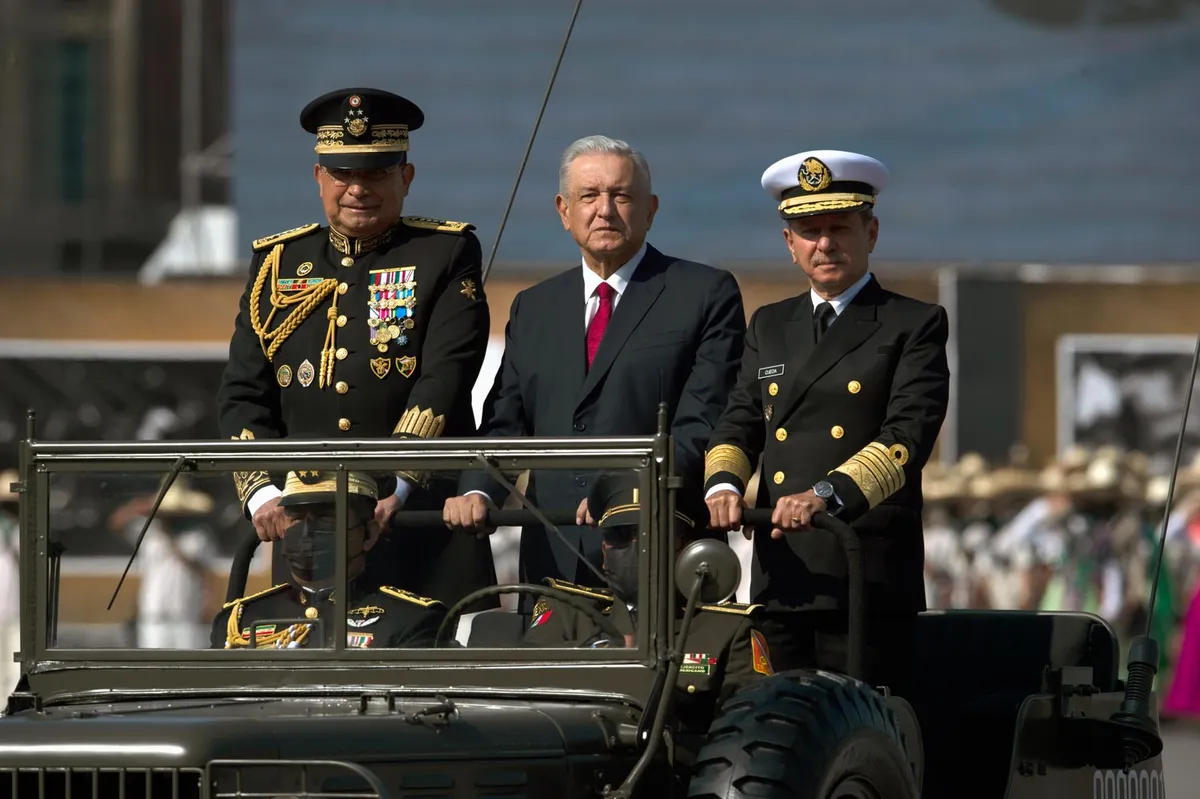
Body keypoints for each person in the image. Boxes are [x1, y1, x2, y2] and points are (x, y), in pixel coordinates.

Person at [216, 87, 495, 609]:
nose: (357, 189)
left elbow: (444, 377)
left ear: (405, 178)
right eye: (343, 173)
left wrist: (397, 487)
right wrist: (265, 494)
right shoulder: (276, 264)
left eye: (376, 174)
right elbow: (241, 396)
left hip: (420, 524)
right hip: (306, 535)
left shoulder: (445, 253)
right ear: (319, 176)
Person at [444, 135, 746, 599]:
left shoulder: (703, 294)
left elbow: (703, 419)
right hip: (554, 555)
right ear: (564, 211)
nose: (604, 210)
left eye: (621, 195)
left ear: (651, 209)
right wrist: (478, 491)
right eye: (589, 196)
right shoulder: (534, 307)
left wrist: (618, 494)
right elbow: (506, 420)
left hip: (659, 549)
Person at [703, 150, 950, 695]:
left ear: (872, 232)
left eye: (840, 227)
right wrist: (723, 482)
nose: (825, 243)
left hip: (862, 571)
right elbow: (740, 419)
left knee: (858, 734)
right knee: (775, 726)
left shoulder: (914, 323)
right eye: (809, 231)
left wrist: (824, 495)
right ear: (789, 245)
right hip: (781, 571)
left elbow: (907, 437)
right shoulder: (770, 324)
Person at [525, 472, 774, 717]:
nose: (638, 546)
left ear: (685, 547)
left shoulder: (727, 630)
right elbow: (526, 688)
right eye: (620, 535)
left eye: (653, 533)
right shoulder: (567, 613)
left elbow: (750, 723)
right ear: (604, 550)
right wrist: (603, 654)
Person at [212, 470, 446, 650]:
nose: (306, 532)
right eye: (296, 518)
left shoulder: (409, 620)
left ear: (368, 534)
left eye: (326, 518)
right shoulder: (241, 620)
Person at [108, 481, 217, 649]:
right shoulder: (149, 533)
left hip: (187, 616)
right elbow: (117, 522)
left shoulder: (198, 536)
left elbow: (207, 573)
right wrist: (144, 505)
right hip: (154, 616)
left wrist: (208, 603)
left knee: (187, 667)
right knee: (154, 668)